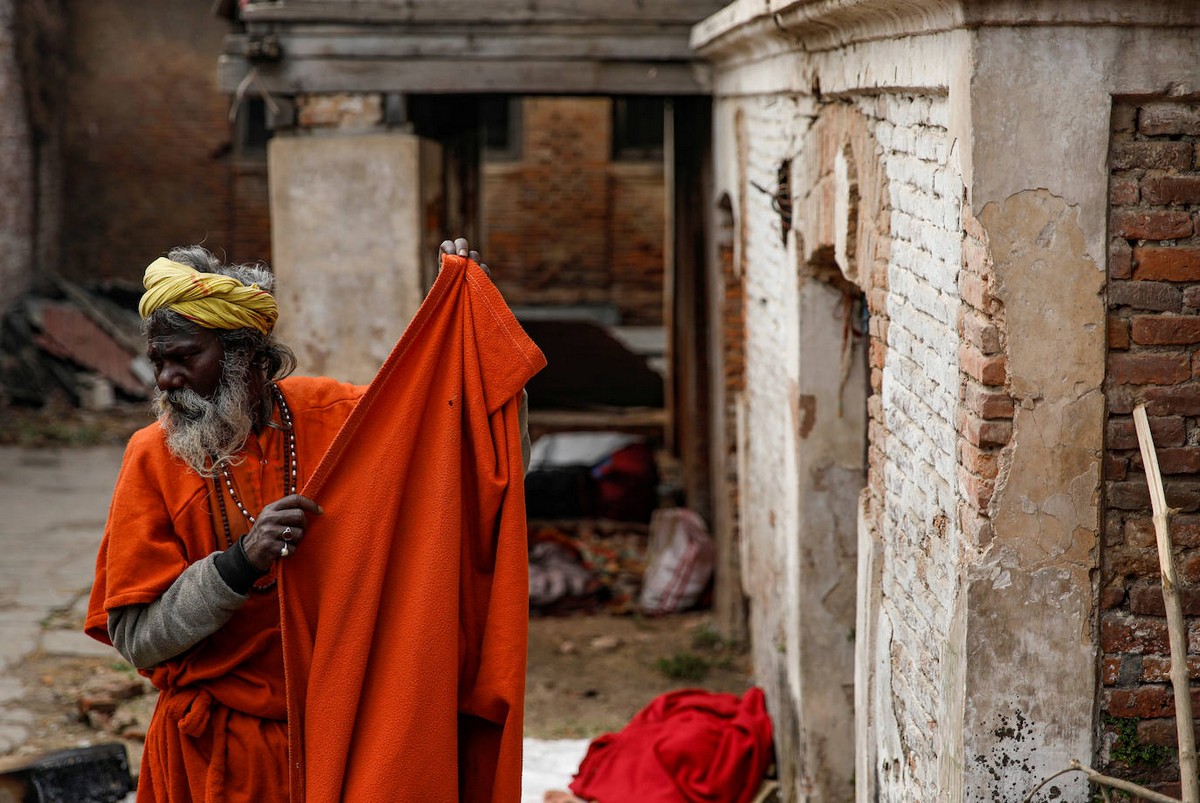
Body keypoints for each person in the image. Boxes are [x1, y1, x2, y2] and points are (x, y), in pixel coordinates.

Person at [84, 239, 528, 802]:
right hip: (220, 758)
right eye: (159, 362)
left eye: (186, 357)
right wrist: (237, 566)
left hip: (351, 742)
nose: (167, 380)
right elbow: (138, 640)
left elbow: (467, 462)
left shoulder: (342, 422)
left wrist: (479, 333)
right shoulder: (152, 456)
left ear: (250, 359)